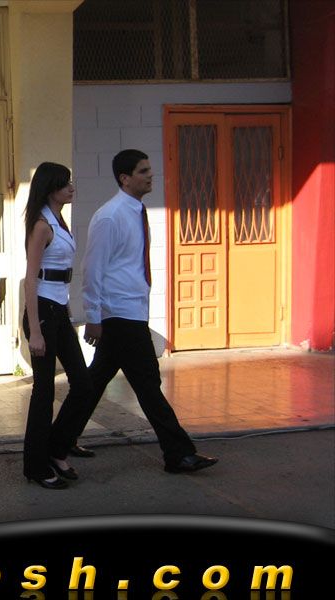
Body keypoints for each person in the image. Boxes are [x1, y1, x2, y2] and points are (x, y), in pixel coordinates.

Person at [69, 149, 218, 474]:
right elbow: (92, 268)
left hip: (133, 311)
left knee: (96, 379)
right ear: (125, 178)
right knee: (148, 384)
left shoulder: (136, 211)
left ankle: (60, 439)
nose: (150, 176)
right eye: (142, 171)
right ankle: (178, 453)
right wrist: (93, 317)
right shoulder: (110, 217)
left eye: (150, 169)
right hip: (120, 315)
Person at [21, 162, 97, 490]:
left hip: (58, 310)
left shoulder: (58, 219)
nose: (71, 188)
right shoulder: (41, 225)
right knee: (44, 390)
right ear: (51, 189)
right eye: (65, 184)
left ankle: (56, 447)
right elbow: (31, 278)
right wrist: (35, 331)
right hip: (42, 312)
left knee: (83, 384)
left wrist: (66, 309)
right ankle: (36, 466)